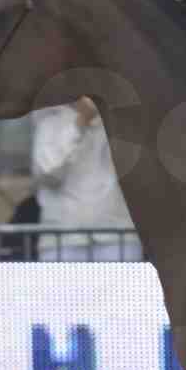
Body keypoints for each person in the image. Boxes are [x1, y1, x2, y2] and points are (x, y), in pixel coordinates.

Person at [30, 97, 140, 260]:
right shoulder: (50, 118)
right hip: (62, 239)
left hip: (118, 236)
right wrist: (82, 121)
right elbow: (48, 173)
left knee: (122, 286)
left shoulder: (125, 119)